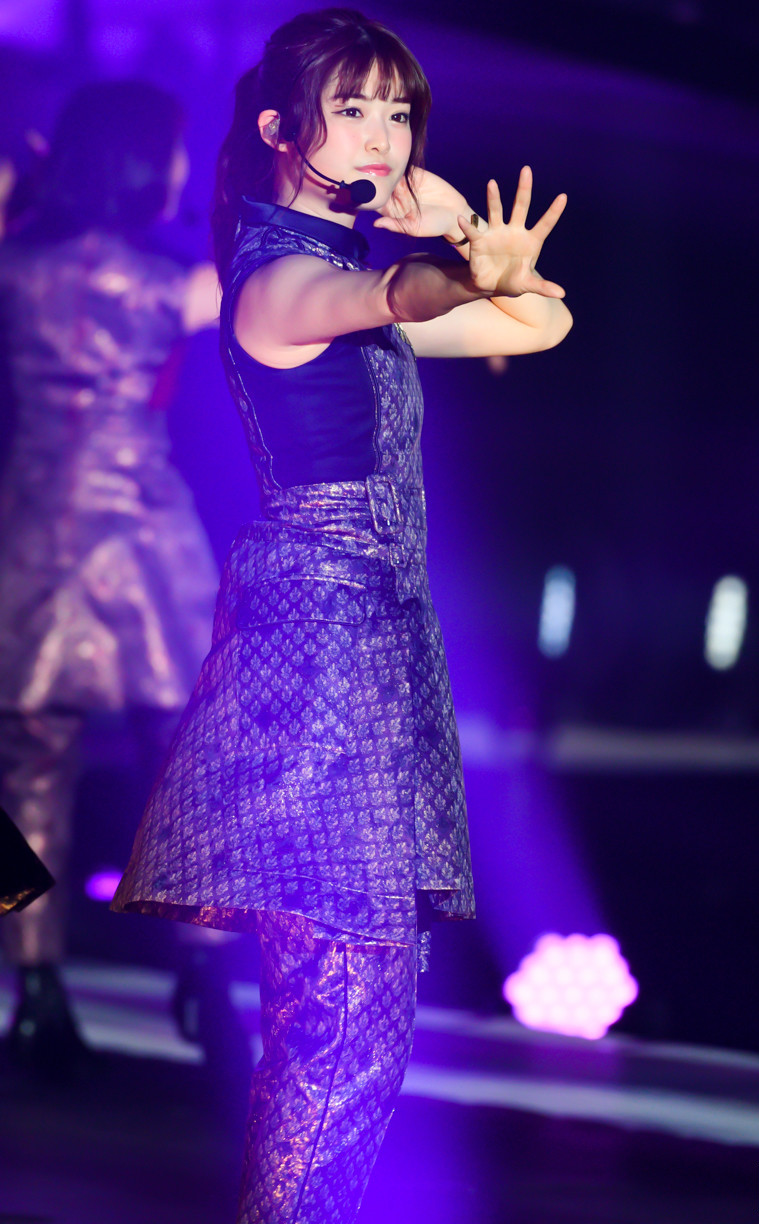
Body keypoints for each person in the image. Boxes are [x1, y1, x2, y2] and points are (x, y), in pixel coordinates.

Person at [113, 8, 572, 1221]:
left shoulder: (332, 275)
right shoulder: (280, 282)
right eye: (353, 108)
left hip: (364, 655)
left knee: (357, 1007)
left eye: (399, 111)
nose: (383, 134)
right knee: (345, 1007)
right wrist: (454, 263)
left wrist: (468, 240)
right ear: (279, 128)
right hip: (318, 672)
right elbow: (395, 293)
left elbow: (540, 322)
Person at [0, 80, 222, 1071]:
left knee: (27, 775)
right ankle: (204, 969)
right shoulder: (174, 282)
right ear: (143, 162)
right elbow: (296, 300)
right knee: (189, 767)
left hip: (31, 532)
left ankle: (35, 984)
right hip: (145, 540)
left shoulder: (14, 267)